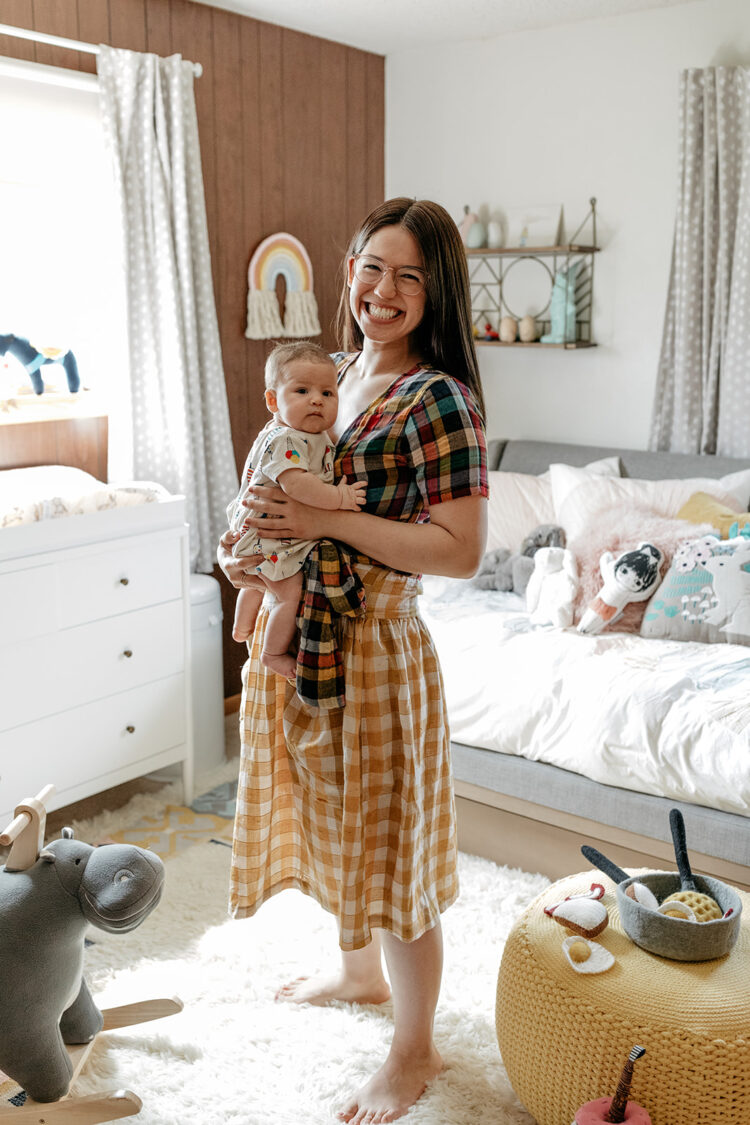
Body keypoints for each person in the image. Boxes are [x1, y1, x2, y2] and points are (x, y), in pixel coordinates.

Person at [218, 197, 489, 1124]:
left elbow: (458, 550)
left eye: (409, 274)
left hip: (377, 650)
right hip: (312, 644)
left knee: (395, 846)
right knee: (336, 821)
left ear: (435, 289)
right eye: (373, 265)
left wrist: (326, 517)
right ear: (349, 269)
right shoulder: (326, 375)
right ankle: (356, 972)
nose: (385, 289)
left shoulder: (438, 395)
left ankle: (413, 1048)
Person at [227, 341, 366, 678]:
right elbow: (298, 485)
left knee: (260, 581)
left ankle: (243, 626)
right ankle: (273, 653)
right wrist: (341, 499)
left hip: (261, 532)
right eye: (302, 391)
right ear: (273, 400)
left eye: (327, 393)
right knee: (289, 593)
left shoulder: (291, 432)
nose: (316, 399)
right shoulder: (289, 439)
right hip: (271, 534)